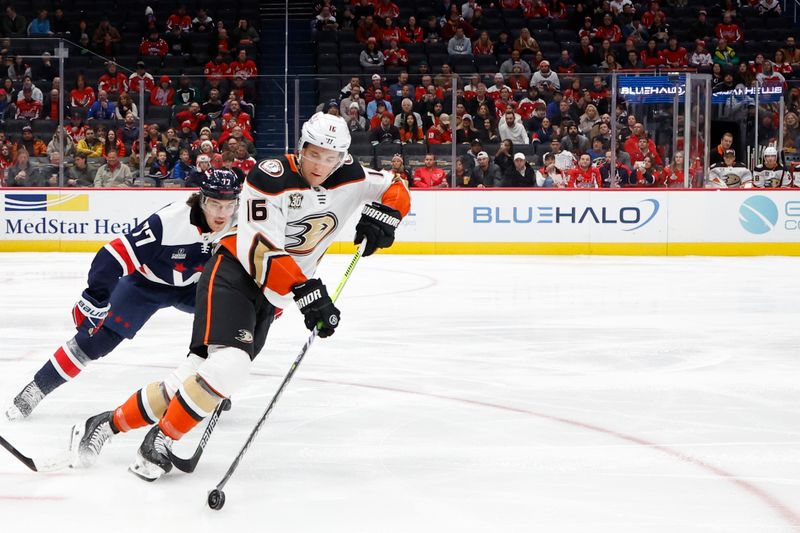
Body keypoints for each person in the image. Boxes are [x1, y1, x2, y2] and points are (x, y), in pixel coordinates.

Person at [69, 112, 410, 480]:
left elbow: (397, 187)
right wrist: (307, 292)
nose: (321, 165)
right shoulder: (269, 176)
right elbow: (259, 247)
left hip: (274, 298)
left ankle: (106, 423)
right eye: (314, 154)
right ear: (301, 147)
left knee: (197, 374)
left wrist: (386, 216)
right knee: (231, 365)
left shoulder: (354, 177)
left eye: (331, 158)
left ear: (342, 157)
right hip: (234, 274)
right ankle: (162, 439)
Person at [6, 171, 242, 421]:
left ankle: (209, 383)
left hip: (197, 287)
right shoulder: (169, 222)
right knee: (95, 341)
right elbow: (111, 257)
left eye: (229, 205)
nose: (222, 214)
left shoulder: (242, 219)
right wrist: (95, 298)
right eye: (215, 204)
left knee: (233, 322)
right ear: (201, 199)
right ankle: (37, 388)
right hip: (145, 286)